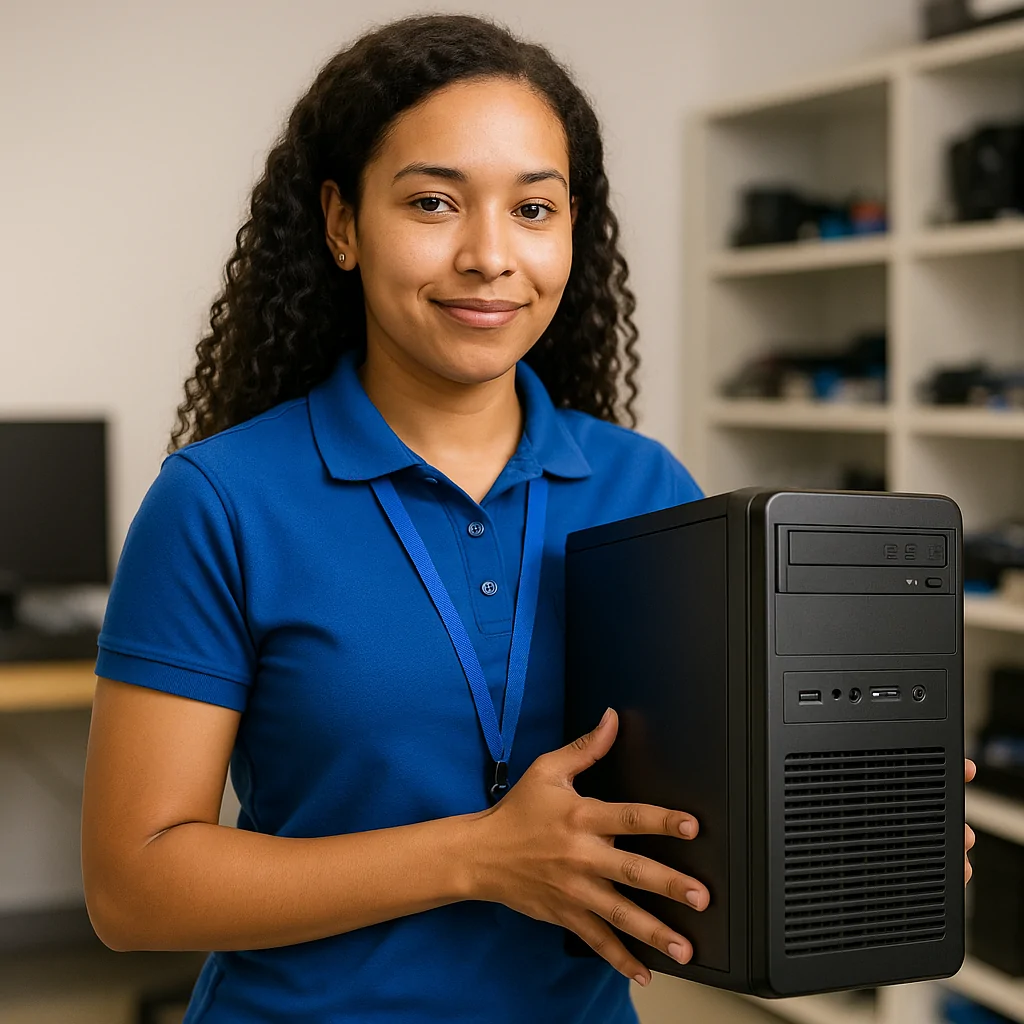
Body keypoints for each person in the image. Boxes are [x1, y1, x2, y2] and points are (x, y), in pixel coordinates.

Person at [80, 13, 975, 1024]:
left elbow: (693, 820)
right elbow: (132, 886)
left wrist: (857, 831)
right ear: (341, 223)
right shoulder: (219, 499)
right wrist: (476, 856)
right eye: (431, 202)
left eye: (534, 209)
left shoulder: (646, 491)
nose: (489, 256)